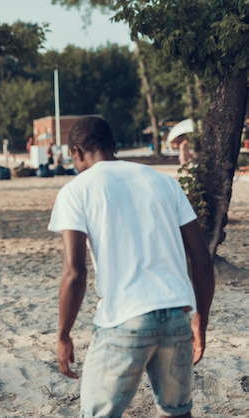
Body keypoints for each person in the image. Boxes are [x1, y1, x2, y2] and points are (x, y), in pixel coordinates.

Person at [47, 116, 215, 417]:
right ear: (114, 147)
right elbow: (202, 261)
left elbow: (75, 273)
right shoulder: (164, 182)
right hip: (177, 314)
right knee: (177, 412)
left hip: (124, 318)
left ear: (75, 152)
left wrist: (63, 334)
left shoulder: (76, 191)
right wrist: (200, 318)